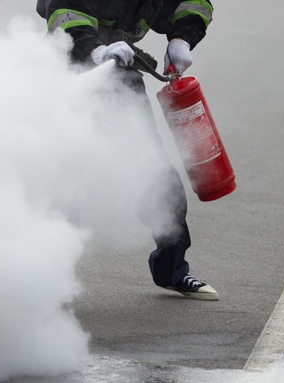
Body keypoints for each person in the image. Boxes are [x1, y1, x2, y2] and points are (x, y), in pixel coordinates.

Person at [36, 0, 219, 301]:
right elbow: (62, 11)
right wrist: (94, 50)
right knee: (64, 184)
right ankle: (48, 280)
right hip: (67, 74)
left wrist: (182, 38)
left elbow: (192, 4)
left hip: (120, 73)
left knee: (155, 175)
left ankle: (173, 272)